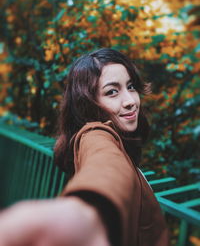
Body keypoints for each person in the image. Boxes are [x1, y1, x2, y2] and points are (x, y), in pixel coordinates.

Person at [0, 48, 169, 246]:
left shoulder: (118, 139)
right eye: (112, 92)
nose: (131, 101)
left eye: (130, 87)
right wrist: (87, 212)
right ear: (89, 102)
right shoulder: (94, 135)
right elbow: (105, 164)